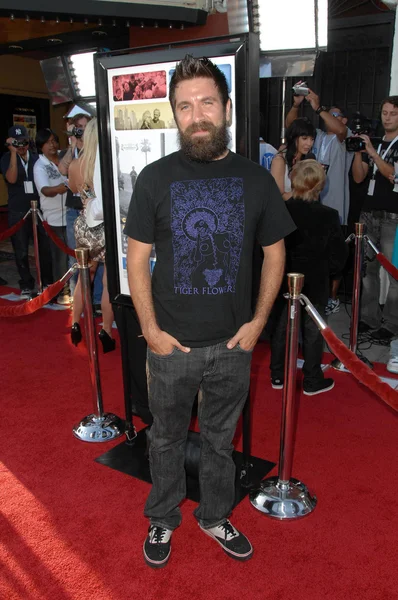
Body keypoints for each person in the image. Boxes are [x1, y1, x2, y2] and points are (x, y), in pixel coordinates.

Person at [124, 55, 295, 569]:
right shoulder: (154, 179)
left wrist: (258, 322)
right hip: (170, 344)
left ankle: (216, 515)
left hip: (232, 345)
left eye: (206, 103)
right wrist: (150, 330)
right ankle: (163, 516)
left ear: (226, 110)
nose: (196, 116)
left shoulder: (255, 179)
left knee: (221, 442)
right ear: (174, 115)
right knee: (165, 438)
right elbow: (135, 259)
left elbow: (275, 252)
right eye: (184, 106)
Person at [270, 159, 348, 394]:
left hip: (282, 277)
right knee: (313, 331)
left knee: (282, 327)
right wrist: (329, 272)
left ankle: (278, 375)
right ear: (319, 186)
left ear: (293, 180)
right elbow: (338, 257)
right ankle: (312, 379)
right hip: (315, 280)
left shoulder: (280, 211)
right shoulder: (329, 215)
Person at [286, 91, 353, 315]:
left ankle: (330, 297)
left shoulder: (342, 138)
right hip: (307, 208)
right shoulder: (317, 138)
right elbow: (292, 130)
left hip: (332, 206)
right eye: (327, 115)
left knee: (330, 256)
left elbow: (341, 129)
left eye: (334, 115)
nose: (328, 119)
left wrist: (317, 107)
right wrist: (296, 105)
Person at [351, 96, 398, 341]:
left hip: (393, 216)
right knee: (367, 269)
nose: (387, 117)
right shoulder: (377, 144)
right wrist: (359, 153)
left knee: (393, 272)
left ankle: (391, 324)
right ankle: (369, 318)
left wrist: (372, 152)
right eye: (384, 112)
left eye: (392, 113)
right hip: (369, 213)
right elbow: (359, 178)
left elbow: (393, 175)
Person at [67, 118, 116, 353]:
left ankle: (76, 323)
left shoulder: (77, 165)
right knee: (108, 282)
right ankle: (105, 330)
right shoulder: (107, 163)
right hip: (105, 228)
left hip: (85, 226)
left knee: (84, 276)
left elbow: (75, 190)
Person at [0, 125, 53, 298]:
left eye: (23, 141)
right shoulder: (7, 158)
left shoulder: (37, 158)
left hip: (38, 209)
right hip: (18, 211)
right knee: (21, 249)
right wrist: (14, 153)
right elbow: (12, 178)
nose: (21, 145)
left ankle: (46, 282)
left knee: (44, 248)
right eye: (17, 142)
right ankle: (26, 284)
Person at [34, 128, 70, 304]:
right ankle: (62, 291)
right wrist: (60, 189)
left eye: (54, 141)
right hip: (54, 218)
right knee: (59, 258)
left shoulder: (65, 158)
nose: (53, 145)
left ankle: (72, 287)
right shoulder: (39, 165)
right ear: (41, 145)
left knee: (70, 255)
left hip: (71, 214)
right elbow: (45, 190)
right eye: (48, 142)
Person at [58, 113, 92, 299]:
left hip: (92, 210)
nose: (82, 131)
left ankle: (94, 300)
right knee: (74, 256)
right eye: (79, 127)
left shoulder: (94, 150)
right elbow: (62, 170)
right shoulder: (69, 152)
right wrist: (72, 144)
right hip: (73, 210)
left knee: (95, 258)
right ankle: (75, 296)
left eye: (86, 127)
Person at [270, 118, 315, 200]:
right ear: (293, 138)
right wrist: (304, 194)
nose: (309, 144)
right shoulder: (279, 161)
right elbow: (278, 195)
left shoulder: (307, 160)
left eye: (312, 139)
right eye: (304, 138)